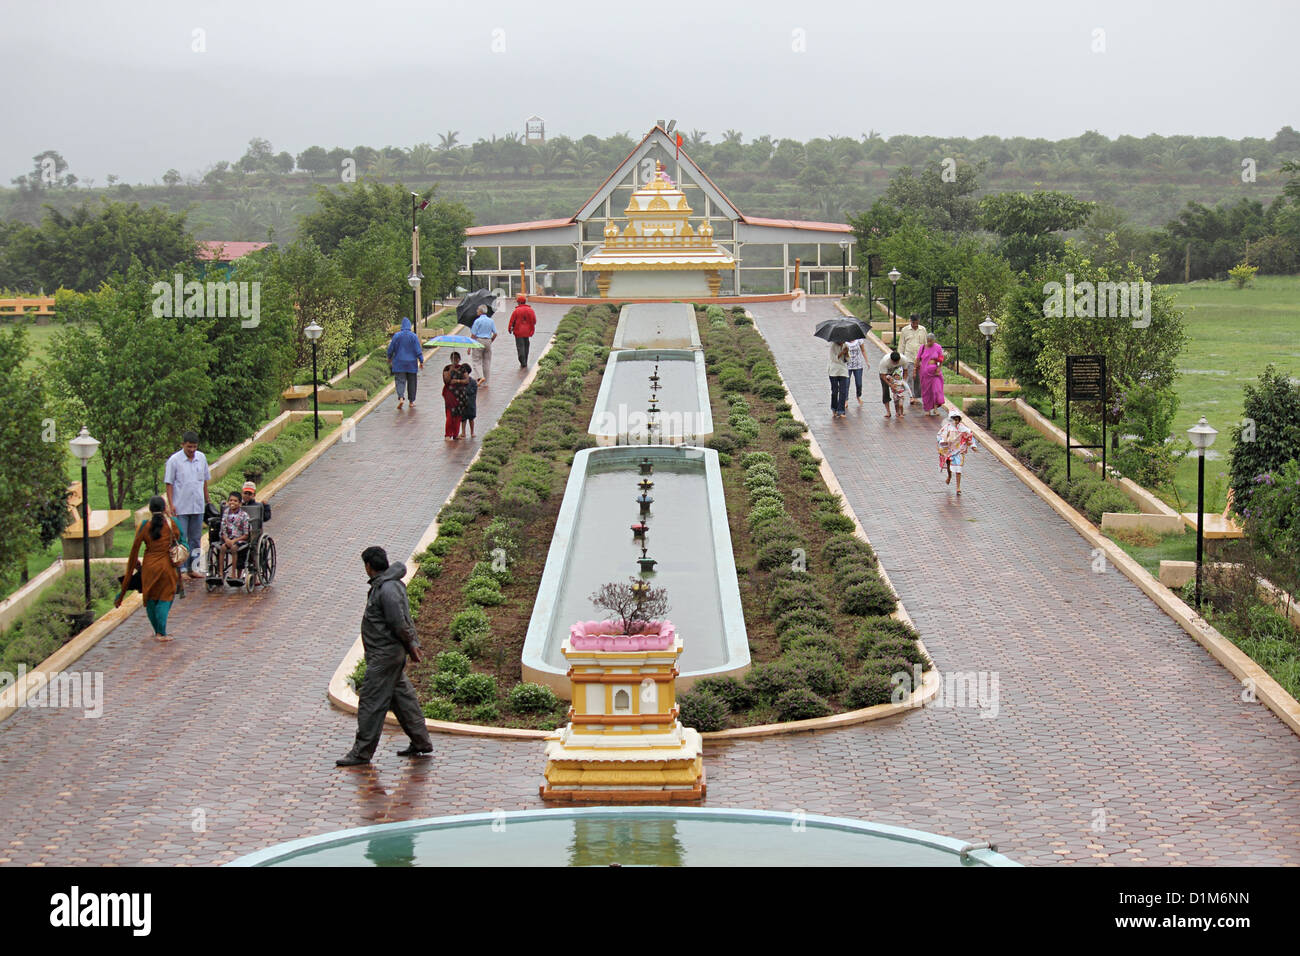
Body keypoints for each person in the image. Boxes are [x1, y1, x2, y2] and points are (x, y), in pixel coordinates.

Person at [337, 546, 434, 767]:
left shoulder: (387, 589)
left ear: (368, 566)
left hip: (384, 657)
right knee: (402, 699)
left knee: (371, 702)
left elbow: (398, 621)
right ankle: (421, 742)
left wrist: (411, 644)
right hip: (389, 656)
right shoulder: (387, 585)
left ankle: (361, 753)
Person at [115, 496, 183, 642]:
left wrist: (124, 587)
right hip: (167, 566)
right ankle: (162, 633)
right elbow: (182, 541)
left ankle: (157, 631)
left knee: (151, 598)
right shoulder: (172, 523)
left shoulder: (143, 526)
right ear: (165, 508)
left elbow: (134, 551)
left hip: (149, 567)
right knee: (165, 597)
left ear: (150, 510)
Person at [164, 431, 210, 580]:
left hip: (197, 506)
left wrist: (207, 501)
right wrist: (171, 505)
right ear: (183, 445)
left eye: (194, 447)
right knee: (181, 539)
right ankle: (182, 570)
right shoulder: (174, 460)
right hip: (181, 506)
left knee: (196, 538)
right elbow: (169, 484)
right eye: (189, 447)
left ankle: (194, 568)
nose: (191, 450)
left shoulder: (201, 458)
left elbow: (204, 481)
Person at [387, 317, 425, 410]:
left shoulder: (396, 336)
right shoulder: (413, 336)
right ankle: (411, 402)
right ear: (409, 326)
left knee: (400, 381)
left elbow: (391, 348)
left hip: (399, 363)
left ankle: (401, 397)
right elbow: (418, 350)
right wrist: (421, 361)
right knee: (412, 382)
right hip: (412, 364)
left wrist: (389, 357)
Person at [937, 410, 978, 495]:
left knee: (958, 468)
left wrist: (973, 445)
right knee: (949, 465)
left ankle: (958, 487)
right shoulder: (947, 427)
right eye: (953, 419)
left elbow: (970, 436)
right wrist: (943, 441)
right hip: (949, 450)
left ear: (959, 420)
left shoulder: (963, 429)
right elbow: (940, 435)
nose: (955, 422)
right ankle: (949, 476)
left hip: (959, 450)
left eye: (957, 419)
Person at [236, 481, 269, 580]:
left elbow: (266, 517)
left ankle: (255, 576)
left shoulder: (258, 506)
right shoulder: (238, 504)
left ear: (254, 495)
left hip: (254, 534)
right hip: (239, 533)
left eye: (250, 494)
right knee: (239, 551)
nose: (247, 496)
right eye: (245, 493)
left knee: (253, 551)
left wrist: (266, 507)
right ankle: (237, 575)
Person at [217, 492, 251, 583]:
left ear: (240, 503)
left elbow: (246, 534)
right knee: (223, 548)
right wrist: (226, 539)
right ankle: (220, 573)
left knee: (234, 548)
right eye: (231, 500)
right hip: (228, 538)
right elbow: (222, 529)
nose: (232, 502)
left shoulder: (244, 515)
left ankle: (233, 574)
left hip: (239, 539)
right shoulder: (225, 513)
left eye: (235, 501)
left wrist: (234, 540)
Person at [897, 314, 928, 406]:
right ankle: (912, 396)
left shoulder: (923, 330)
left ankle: (917, 396)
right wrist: (900, 358)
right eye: (913, 322)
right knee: (910, 377)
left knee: (918, 377)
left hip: (920, 358)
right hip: (909, 357)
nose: (915, 324)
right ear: (910, 321)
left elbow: (925, 344)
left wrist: (926, 357)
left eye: (916, 322)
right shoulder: (905, 330)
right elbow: (901, 344)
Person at [916, 333, 947, 416]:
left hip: (935, 373)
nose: (929, 343)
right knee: (926, 391)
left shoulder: (938, 347)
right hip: (925, 373)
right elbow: (918, 359)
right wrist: (915, 370)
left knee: (936, 390)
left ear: (934, 340)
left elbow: (940, 359)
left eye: (931, 341)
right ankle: (927, 409)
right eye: (928, 341)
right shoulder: (922, 347)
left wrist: (939, 368)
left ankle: (936, 408)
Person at [507, 294, 537, 368]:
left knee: (520, 347)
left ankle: (523, 361)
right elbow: (534, 321)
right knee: (526, 345)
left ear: (519, 302)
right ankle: (525, 360)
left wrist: (510, 329)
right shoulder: (530, 310)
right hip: (528, 332)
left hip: (518, 332)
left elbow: (512, 321)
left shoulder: (516, 311)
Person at [470, 305, 498, 385]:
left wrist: (470, 346)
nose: (477, 311)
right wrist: (490, 341)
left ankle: (480, 377)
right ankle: (486, 382)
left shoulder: (477, 321)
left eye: (478, 310)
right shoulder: (491, 321)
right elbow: (495, 333)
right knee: (487, 361)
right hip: (488, 341)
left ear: (481, 311)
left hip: (479, 341)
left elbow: (473, 335)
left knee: (476, 360)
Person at [442, 351, 464, 441]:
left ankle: (456, 433)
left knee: (458, 415)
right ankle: (448, 434)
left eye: (456, 359)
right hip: (450, 393)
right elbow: (446, 380)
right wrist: (451, 370)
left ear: (459, 359)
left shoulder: (462, 368)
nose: (455, 360)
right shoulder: (447, 368)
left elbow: (466, 380)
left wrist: (458, 381)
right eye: (453, 359)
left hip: (460, 394)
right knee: (450, 413)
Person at [877, 349, 905, 418]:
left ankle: (898, 411)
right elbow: (882, 375)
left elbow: (906, 371)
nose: (895, 363)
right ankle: (888, 412)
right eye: (894, 362)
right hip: (885, 374)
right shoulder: (884, 362)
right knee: (885, 391)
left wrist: (903, 381)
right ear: (891, 360)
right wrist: (890, 384)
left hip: (896, 374)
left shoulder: (904, 360)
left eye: (897, 362)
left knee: (898, 393)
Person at [828, 341, 850, 419]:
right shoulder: (833, 346)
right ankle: (834, 408)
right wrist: (842, 352)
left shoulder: (845, 345)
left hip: (843, 371)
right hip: (833, 371)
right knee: (834, 391)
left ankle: (841, 411)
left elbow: (848, 360)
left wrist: (846, 353)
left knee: (843, 391)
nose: (842, 342)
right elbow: (834, 359)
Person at [458, 362, 480, 439]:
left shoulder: (473, 382)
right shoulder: (460, 382)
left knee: (471, 418)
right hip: (462, 404)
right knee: (463, 419)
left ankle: (472, 432)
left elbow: (472, 391)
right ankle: (463, 432)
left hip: (470, 404)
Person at [846, 336, 867, 404]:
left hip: (858, 365)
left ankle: (858, 396)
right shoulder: (844, 341)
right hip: (847, 365)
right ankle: (845, 400)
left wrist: (867, 361)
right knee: (846, 383)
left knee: (859, 383)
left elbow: (863, 350)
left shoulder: (859, 340)